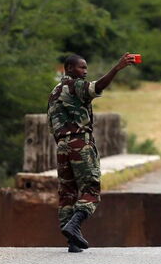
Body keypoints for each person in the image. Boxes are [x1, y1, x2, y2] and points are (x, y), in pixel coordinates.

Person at [48, 52, 138, 252]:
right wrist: (117, 67)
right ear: (69, 68)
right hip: (79, 143)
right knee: (91, 188)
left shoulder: (55, 91)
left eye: (86, 68)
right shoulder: (74, 85)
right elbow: (97, 87)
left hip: (61, 146)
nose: (85, 71)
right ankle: (75, 225)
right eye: (82, 67)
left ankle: (72, 239)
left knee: (67, 192)